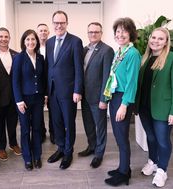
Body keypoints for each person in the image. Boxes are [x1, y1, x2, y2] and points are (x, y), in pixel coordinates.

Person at [136, 27, 173, 187]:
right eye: (154, 37)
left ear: (166, 42)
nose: (155, 41)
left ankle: (162, 171)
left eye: (160, 39)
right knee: (150, 137)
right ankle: (153, 162)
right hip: (145, 107)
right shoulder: (145, 58)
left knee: (162, 141)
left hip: (163, 108)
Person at [103, 17, 141, 186]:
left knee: (122, 137)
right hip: (115, 96)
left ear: (131, 33)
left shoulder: (133, 53)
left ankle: (124, 173)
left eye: (124, 31)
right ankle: (123, 168)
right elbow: (113, 77)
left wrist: (124, 105)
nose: (120, 34)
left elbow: (132, 82)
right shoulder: (120, 51)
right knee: (118, 137)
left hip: (124, 98)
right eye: (117, 31)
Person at [46, 10, 84, 170]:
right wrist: (46, 92)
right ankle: (61, 148)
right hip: (53, 91)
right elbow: (49, 66)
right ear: (52, 24)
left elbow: (78, 68)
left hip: (69, 92)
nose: (59, 25)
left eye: (62, 22)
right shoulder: (49, 42)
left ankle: (68, 151)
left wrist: (77, 90)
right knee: (56, 122)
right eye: (56, 22)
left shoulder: (75, 41)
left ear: (67, 23)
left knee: (69, 122)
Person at [78, 22, 114, 168]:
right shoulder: (84, 49)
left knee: (100, 126)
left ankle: (99, 154)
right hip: (85, 96)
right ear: (87, 33)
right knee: (88, 124)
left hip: (98, 97)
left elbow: (107, 77)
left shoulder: (107, 50)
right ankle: (91, 147)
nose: (93, 34)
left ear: (101, 33)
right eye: (90, 32)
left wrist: (104, 99)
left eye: (96, 32)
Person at [12, 29, 46, 171]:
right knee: (25, 129)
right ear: (24, 42)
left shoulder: (40, 58)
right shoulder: (19, 58)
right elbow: (15, 81)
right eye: (28, 39)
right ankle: (27, 157)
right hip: (24, 100)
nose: (31, 42)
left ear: (37, 41)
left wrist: (45, 95)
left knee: (37, 128)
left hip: (38, 99)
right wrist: (19, 100)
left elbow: (43, 77)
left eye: (33, 39)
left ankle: (37, 155)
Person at [0, 27, 22, 161]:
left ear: (9, 38)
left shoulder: (17, 54)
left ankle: (13, 144)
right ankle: (1, 147)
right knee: (0, 124)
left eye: (6, 36)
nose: (3, 39)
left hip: (14, 97)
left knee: (12, 122)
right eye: (0, 36)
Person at [36, 23, 54, 144]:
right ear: (37, 33)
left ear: (48, 33)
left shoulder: (52, 46)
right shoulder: (33, 47)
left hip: (51, 82)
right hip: (38, 83)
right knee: (38, 110)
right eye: (40, 31)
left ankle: (54, 133)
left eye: (45, 31)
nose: (43, 32)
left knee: (53, 110)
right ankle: (41, 132)